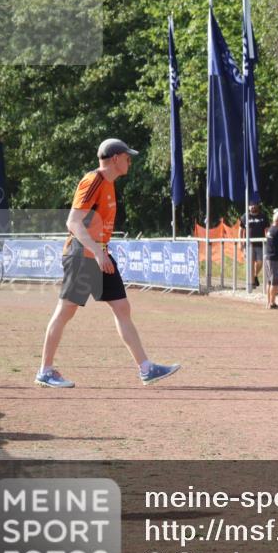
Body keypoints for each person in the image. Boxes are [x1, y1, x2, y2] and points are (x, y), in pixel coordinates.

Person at [35, 139, 181, 388]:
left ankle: (146, 368)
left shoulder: (109, 184)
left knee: (122, 307)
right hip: (82, 256)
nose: (129, 161)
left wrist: (101, 252)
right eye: (127, 157)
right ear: (115, 159)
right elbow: (73, 222)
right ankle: (45, 371)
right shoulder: (94, 180)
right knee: (65, 311)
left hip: (99, 254)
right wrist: (97, 252)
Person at [245, 202, 269, 288]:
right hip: (249, 244)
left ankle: (255, 275)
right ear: (248, 207)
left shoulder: (263, 216)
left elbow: (267, 229)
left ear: (257, 206)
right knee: (250, 263)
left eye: (254, 205)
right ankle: (252, 283)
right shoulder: (245, 216)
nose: (252, 206)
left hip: (260, 243)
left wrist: (268, 241)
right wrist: (241, 243)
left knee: (260, 262)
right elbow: (241, 229)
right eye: (251, 205)